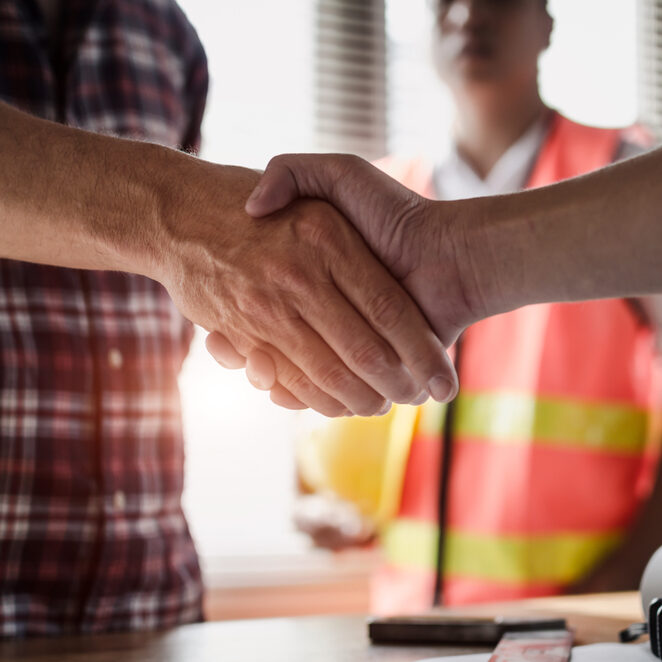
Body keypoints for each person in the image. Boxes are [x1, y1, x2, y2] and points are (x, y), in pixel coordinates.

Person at [0, 0, 455, 636]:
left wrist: (260, 312)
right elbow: (196, 244)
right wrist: (185, 221)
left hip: (156, 608)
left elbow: (191, 283)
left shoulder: (165, 32)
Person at [218, 0, 662, 613]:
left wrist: (621, 580)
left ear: (548, 24)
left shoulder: (621, 179)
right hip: (409, 624)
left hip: (576, 620)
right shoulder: (382, 191)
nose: (467, 13)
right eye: (445, 0)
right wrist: (321, 499)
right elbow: (334, 417)